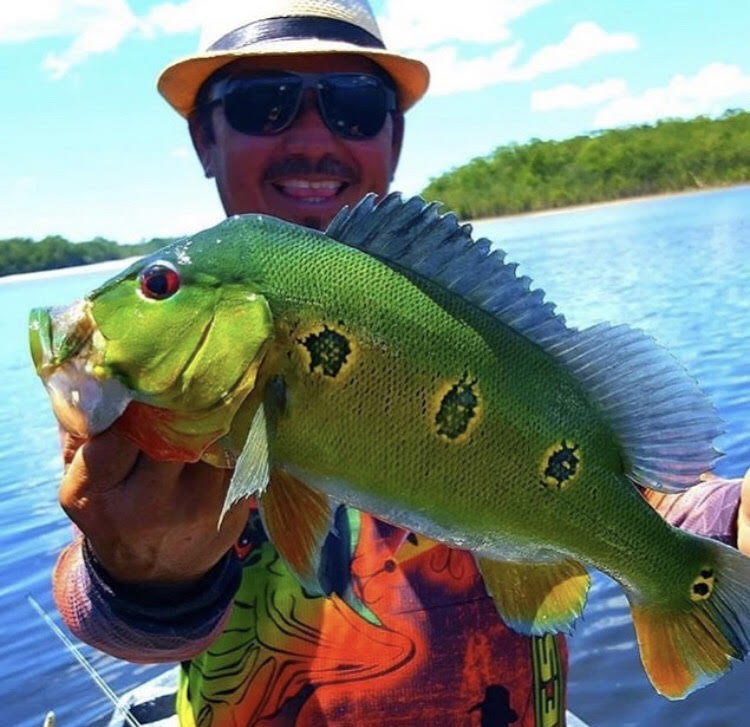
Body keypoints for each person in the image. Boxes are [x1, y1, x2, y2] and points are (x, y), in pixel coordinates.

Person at [53, 1, 750, 725]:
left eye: (355, 105)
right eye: (266, 103)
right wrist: (139, 575)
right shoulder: (163, 371)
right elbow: (99, 606)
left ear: (396, 129)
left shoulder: (480, 321)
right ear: (204, 137)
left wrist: (727, 513)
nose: (314, 136)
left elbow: (624, 487)